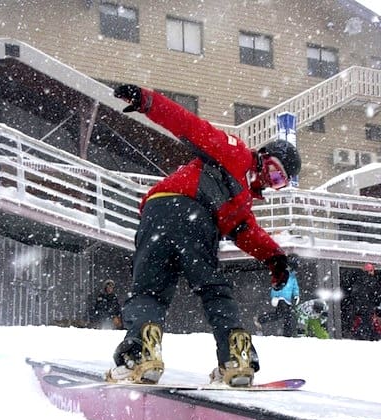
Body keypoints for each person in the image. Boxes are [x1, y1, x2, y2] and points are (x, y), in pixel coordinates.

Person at [108, 84, 301, 386]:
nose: (268, 179)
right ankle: (233, 355)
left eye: (278, 181)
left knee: (156, 290)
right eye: (273, 170)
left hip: (167, 216)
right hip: (183, 208)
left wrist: (276, 259)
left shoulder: (241, 203)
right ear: (262, 156)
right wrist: (148, 101)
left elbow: (249, 233)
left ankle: (144, 350)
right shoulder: (234, 151)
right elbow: (190, 126)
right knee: (211, 289)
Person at [255, 268, 300, 337]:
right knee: (286, 316)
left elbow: (295, 287)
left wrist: (296, 295)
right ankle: (287, 334)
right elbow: (275, 287)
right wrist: (275, 296)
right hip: (280, 299)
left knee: (280, 315)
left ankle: (261, 319)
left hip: (288, 300)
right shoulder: (281, 274)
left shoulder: (293, 277)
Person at [351, 263, 381, 341]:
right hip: (367, 311)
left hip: (360, 311)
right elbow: (376, 297)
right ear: (370, 271)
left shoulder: (357, 282)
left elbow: (354, 296)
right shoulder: (372, 282)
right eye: (372, 270)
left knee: (361, 330)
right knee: (369, 331)